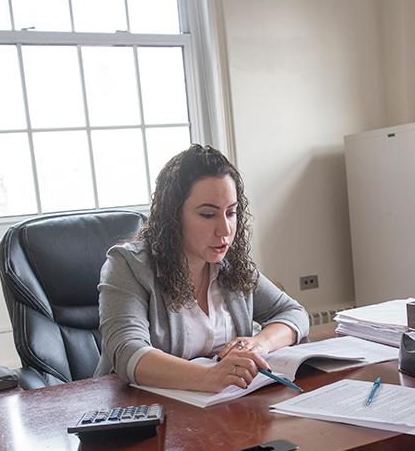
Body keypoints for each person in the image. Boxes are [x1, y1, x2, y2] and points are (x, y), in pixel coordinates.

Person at [94, 144, 309, 392]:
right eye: (208, 215)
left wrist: (260, 344)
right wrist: (209, 376)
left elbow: (294, 312)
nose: (225, 230)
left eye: (231, 213)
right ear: (173, 217)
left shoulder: (230, 265)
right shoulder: (127, 265)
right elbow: (126, 351)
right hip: (146, 414)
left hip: (223, 410)